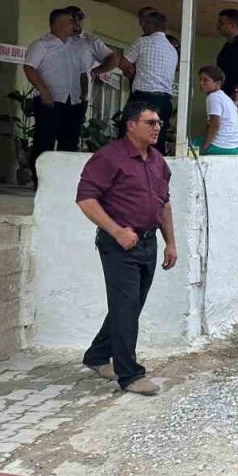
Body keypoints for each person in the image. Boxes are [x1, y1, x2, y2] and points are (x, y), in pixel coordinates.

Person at [75, 102, 177, 396]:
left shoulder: (158, 160)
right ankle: (130, 375)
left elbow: (164, 204)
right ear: (131, 125)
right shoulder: (109, 157)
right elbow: (86, 200)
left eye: (158, 122)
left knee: (130, 306)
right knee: (126, 307)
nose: (157, 127)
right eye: (150, 122)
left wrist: (170, 242)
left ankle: (97, 355)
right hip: (119, 244)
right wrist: (117, 231)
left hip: (148, 242)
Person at [23, 8, 95, 186]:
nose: (74, 25)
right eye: (70, 21)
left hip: (74, 101)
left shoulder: (75, 46)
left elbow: (81, 72)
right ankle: (40, 182)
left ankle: (63, 184)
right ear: (58, 23)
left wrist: (84, 93)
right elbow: (29, 68)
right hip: (50, 101)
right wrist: (44, 90)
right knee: (44, 142)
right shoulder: (41, 45)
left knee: (69, 144)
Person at [119, 10, 178, 155]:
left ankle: (126, 173)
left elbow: (124, 63)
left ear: (150, 25)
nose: (142, 27)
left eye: (143, 23)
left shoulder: (143, 42)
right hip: (164, 101)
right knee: (156, 141)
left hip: (143, 99)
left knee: (129, 139)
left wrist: (132, 72)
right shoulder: (172, 50)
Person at [190, 65, 238, 155]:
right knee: (201, 139)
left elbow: (215, 124)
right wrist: (232, 139)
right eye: (200, 79)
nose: (201, 83)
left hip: (221, 147)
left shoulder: (213, 97)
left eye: (205, 80)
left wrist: (204, 147)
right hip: (237, 146)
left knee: (186, 147)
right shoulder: (226, 98)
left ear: (217, 83)